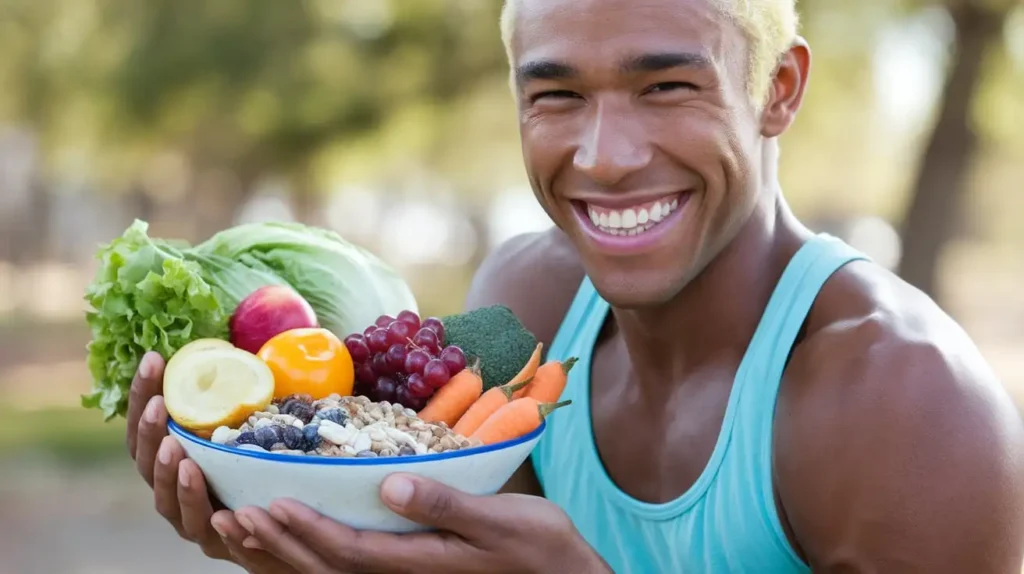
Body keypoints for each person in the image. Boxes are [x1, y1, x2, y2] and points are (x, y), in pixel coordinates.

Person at [125, 0, 1024, 572]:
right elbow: (444, 549)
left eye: (667, 85)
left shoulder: (909, 407)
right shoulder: (523, 304)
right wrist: (311, 538)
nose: (604, 156)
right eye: (555, 97)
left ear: (777, 90)